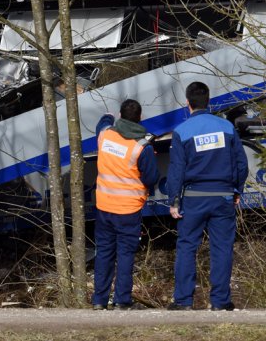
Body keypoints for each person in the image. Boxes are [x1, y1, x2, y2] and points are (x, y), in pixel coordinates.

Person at [166, 81, 248, 311]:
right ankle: (220, 302)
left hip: (193, 198)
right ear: (208, 101)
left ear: (187, 104)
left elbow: (176, 170)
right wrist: (237, 190)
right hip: (223, 197)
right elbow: (241, 164)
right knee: (222, 248)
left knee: (186, 246)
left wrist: (174, 200)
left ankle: (183, 301)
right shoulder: (226, 127)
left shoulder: (182, 131)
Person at [92, 99, 159, 310]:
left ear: (120, 116)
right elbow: (151, 177)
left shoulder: (105, 135)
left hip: (104, 207)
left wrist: (108, 116)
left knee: (103, 254)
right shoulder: (142, 146)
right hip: (129, 210)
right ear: (140, 118)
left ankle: (99, 301)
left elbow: (100, 124)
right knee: (125, 256)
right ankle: (122, 300)